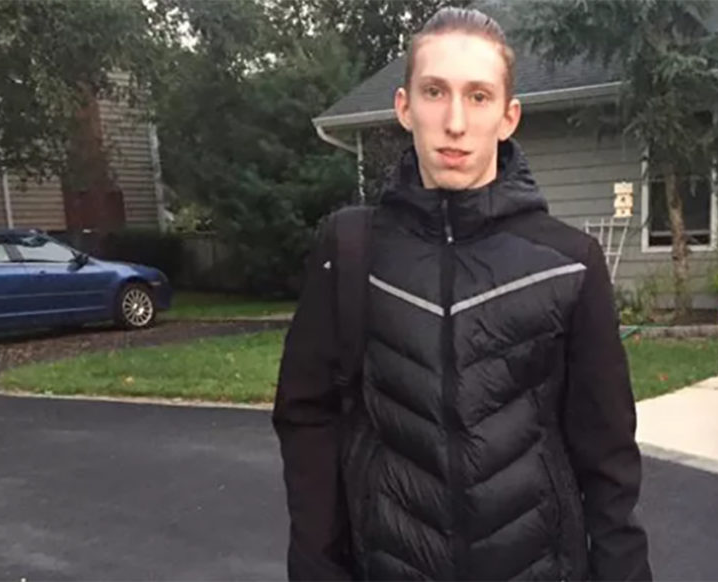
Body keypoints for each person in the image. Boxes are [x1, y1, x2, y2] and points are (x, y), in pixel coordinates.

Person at [273, 7, 652, 581]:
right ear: (405, 106)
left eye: (478, 97)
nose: (455, 122)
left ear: (508, 116)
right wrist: (316, 565)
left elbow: (609, 459)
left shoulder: (569, 263)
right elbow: (307, 419)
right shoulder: (350, 251)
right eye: (435, 92)